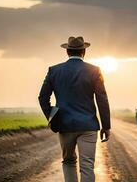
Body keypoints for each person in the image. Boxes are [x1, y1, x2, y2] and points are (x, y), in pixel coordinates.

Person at [38, 36, 111, 182]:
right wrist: (106, 126)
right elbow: (102, 99)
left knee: (69, 162)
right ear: (84, 51)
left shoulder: (54, 71)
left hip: (65, 125)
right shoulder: (95, 71)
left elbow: (42, 98)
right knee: (87, 165)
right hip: (88, 126)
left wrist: (52, 117)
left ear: (67, 52)